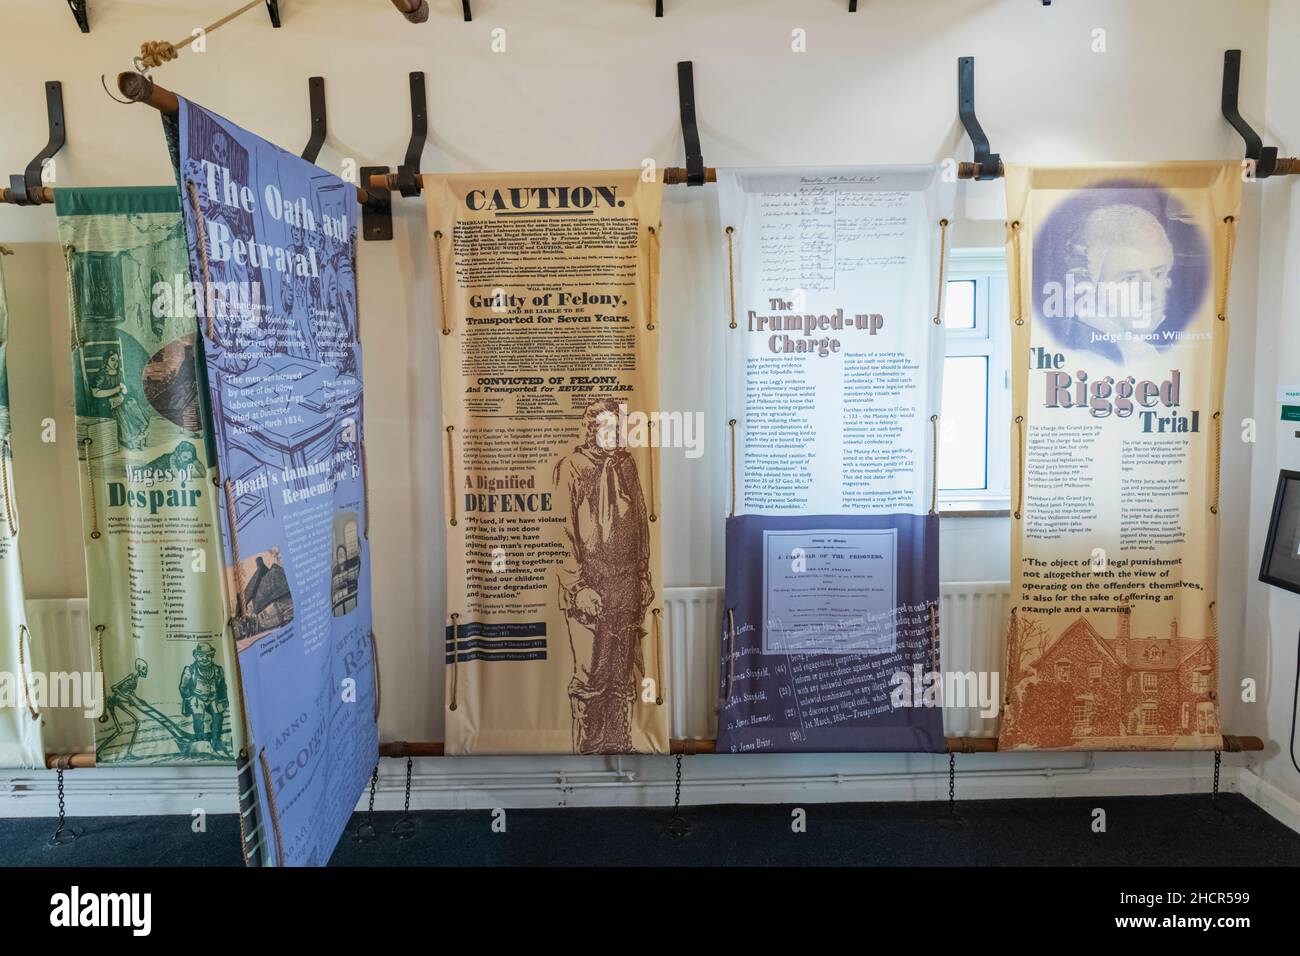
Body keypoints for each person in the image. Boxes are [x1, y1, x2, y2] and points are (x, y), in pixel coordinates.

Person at [552, 399, 653, 754]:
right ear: (592, 430)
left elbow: (640, 523)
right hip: (589, 586)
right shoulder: (572, 467)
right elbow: (560, 531)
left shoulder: (627, 465)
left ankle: (620, 743)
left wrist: (642, 574)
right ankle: (588, 748)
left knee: (621, 676)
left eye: (619, 428)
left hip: (625, 585)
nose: (615, 435)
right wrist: (577, 585)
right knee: (592, 676)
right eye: (607, 428)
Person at [91, 351, 151, 451]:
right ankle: (127, 437)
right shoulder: (101, 374)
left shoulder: (117, 373)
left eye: (117, 360)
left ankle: (140, 431)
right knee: (120, 410)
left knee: (131, 403)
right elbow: (95, 393)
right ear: (106, 361)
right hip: (103, 402)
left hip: (117, 398)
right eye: (112, 360)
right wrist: (116, 390)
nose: (115, 363)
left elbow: (123, 387)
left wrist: (122, 390)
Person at [179, 643, 229, 755]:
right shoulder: (189, 670)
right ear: (196, 656)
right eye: (201, 655)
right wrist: (190, 698)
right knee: (198, 715)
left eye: (208, 655)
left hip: (212, 698)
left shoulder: (218, 670)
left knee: (218, 715)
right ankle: (200, 739)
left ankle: (216, 740)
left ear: (212, 656)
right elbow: (183, 687)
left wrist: (223, 701)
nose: (204, 658)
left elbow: (222, 687)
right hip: (197, 698)